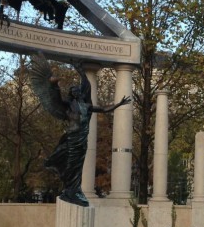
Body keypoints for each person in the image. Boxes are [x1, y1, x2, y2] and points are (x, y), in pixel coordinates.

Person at [30, 56, 130, 206]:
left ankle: (74, 190)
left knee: (78, 166)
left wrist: (119, 104)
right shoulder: (67, 106)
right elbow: (54, 99)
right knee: (70, 165)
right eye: (74, 90)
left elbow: (102, 109)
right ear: (71, 94)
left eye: (77, 90)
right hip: (71, 139)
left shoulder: (85, 106)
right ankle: (70, 190)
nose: (77, 91)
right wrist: (53, 84)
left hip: (82, 140)